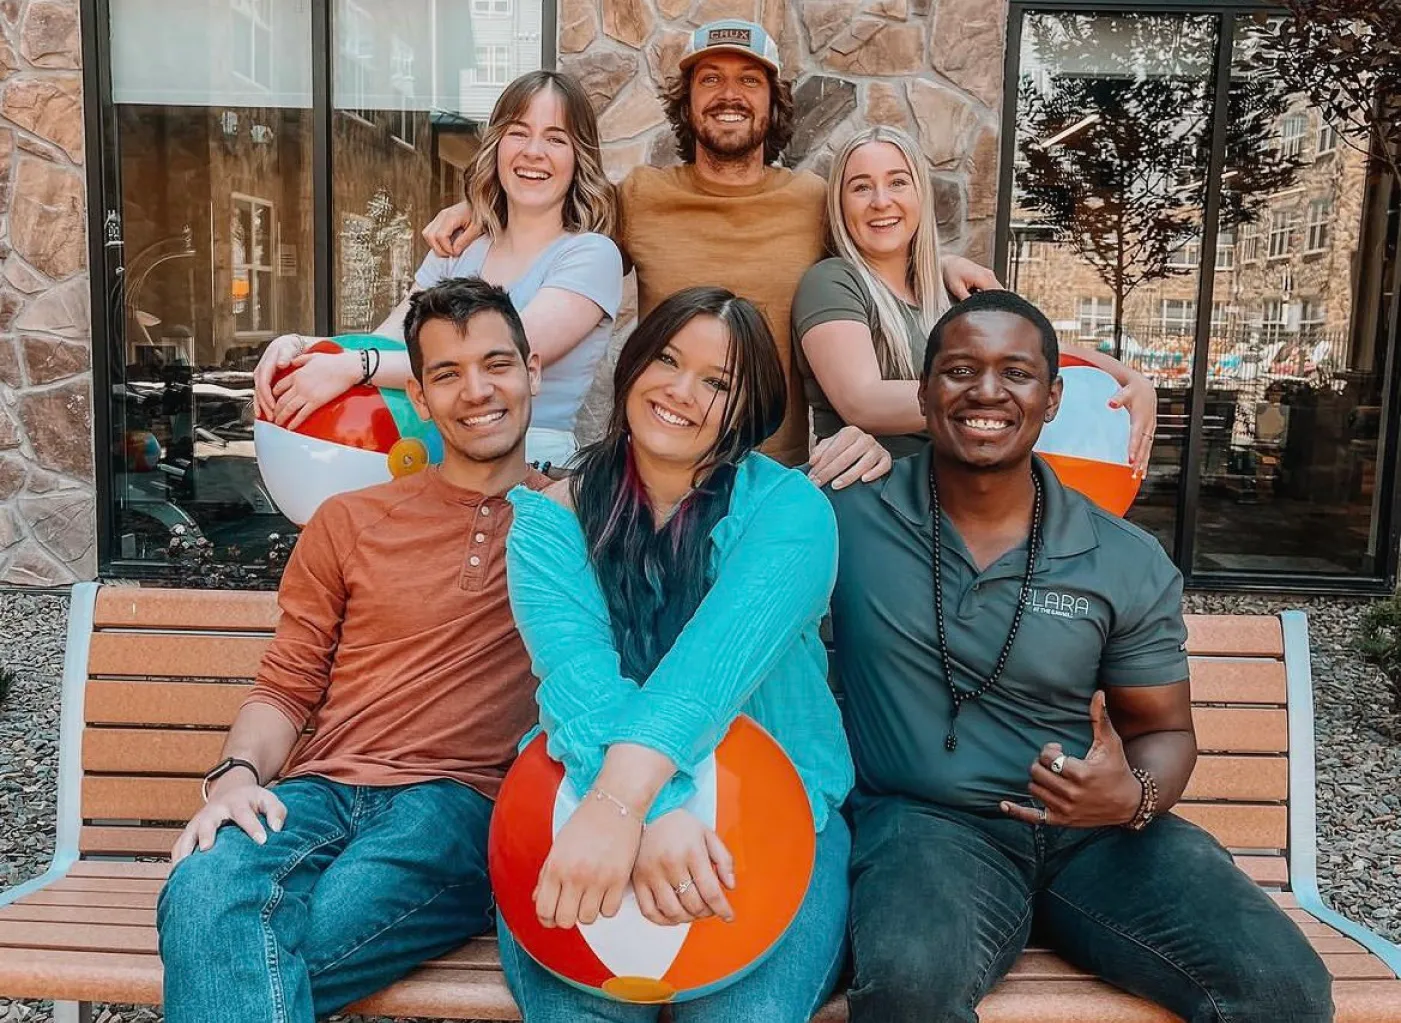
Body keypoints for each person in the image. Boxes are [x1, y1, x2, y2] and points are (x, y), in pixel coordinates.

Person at [824, 289, 1333, 1023]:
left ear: (1053, 397)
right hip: (926, 828)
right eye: (960, 369)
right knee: (909, 989)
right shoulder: (846, 515)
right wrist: (826, 459)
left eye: (1016, 372)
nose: (987, 391)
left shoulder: (1120, 557)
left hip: (1097, 837)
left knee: (1284, 990)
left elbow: (1161, 731)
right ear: (925, 391)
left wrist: (1132, 796)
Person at [157, 278, 552, 1022]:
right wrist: (236, 776)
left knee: (260, 937)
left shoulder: (570, 520)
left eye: (497, 364)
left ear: (533, 375)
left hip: (457, 804)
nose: (476, 390)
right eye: (445, 373)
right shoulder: (346, 521)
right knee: (207, 884)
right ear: (423, 400)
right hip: (320, 787)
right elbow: (286, 684)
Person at [497, 286, 855, 1021]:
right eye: (666, 358)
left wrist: (625, 802)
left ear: (747, 408)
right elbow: (579, 679)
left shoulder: (790, 512)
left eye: (717, 381)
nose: (679, 391)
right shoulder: (548, 520)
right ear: (632, 366)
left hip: (775, 811)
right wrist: (651, 810)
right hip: (578, 806)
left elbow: (704, 676)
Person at [422, 20, 999, 472]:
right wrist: (477, 208)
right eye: (710, 78)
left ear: (773, 102)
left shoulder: (812, 199)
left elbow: (874, 239)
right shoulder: (641, 197)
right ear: (687, 100)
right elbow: (554, 234)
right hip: (656, 468)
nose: (730, 94)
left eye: (749, 80)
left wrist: (942, 260)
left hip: (774, 467)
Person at [253, 70, 623, 468]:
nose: (533, 151)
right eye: (518, 132)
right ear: (496, 145)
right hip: (444, 465)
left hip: (534, 475)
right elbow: (393, 337)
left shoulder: (591, 255)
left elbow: (503, 355)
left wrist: (355, 366)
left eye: (555, 138)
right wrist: (305, 346)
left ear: (578, 156)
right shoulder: (459, 246)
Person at [793, 125, 1156, 466]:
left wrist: (1130, 380)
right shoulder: (832, 281)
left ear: (921, 194)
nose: (881, 201)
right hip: (876, 499)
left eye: (898, 182)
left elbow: (1039, 354)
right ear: (840, 205)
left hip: (959, 500)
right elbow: (863, 402)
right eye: (860, 187)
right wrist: (995, 395)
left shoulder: (952, 289)